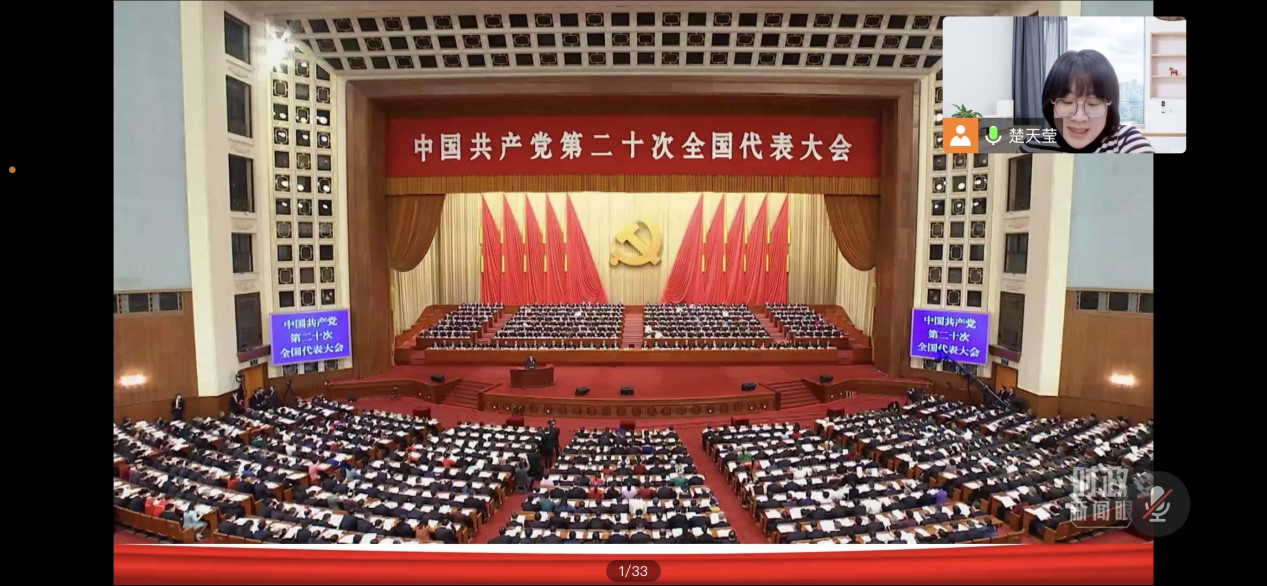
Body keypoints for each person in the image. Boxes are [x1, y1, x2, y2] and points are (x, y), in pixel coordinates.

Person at [1022, 50, 1154, 154]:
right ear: (1050, 104)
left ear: (1109, 107)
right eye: (1067, 102)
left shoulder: (1126, 142)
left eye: (1093, 103)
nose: (1079, 118)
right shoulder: (1033, 146)